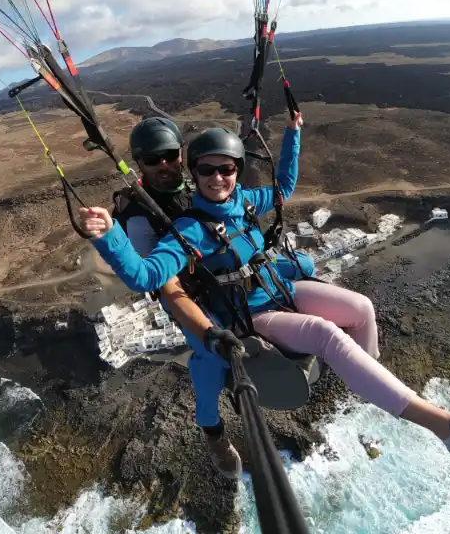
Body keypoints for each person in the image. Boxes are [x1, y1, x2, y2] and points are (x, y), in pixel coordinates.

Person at [80, 112, 450, 464]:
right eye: (207, 170)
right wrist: (108, 235)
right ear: (193, 173)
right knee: (318, 336)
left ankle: (370, 387)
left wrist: (293, 135)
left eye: (226, 169)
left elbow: (284, 188)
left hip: (278, 288)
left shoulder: (241, 201)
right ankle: (448, 429)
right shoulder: (182, 229)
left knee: (361, 308)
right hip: (243, 313)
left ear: (233, 169)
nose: (218, 177)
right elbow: (146, 277)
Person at [108, 116, 315, 479]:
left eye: (170, 156)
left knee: (306, 266)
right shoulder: (139, 216)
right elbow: (163, 284)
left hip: (224, 279)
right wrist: (204, 327)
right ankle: (213, 432)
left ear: (181, 155)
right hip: (192, 297)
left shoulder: (195, 185)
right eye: (153, 160)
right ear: (139, 164)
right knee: (209, 364)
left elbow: (263, 196)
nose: (164, 166)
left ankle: (302, 338)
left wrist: (292, 134)